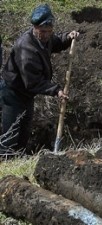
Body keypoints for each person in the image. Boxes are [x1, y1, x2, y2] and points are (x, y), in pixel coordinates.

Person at [0, 4, 79, 155]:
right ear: (34, 28)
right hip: (12, 94)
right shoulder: (26, 48)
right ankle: (5, 167)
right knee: (10, 136)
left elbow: (55, 42)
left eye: (49, 31)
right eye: (43, 31)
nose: (46, 35)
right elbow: (32, 82)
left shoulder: (45, 38)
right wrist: (56, 91)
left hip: (26, 95)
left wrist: (68, 37)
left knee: (24, 131)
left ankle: (19, 161)